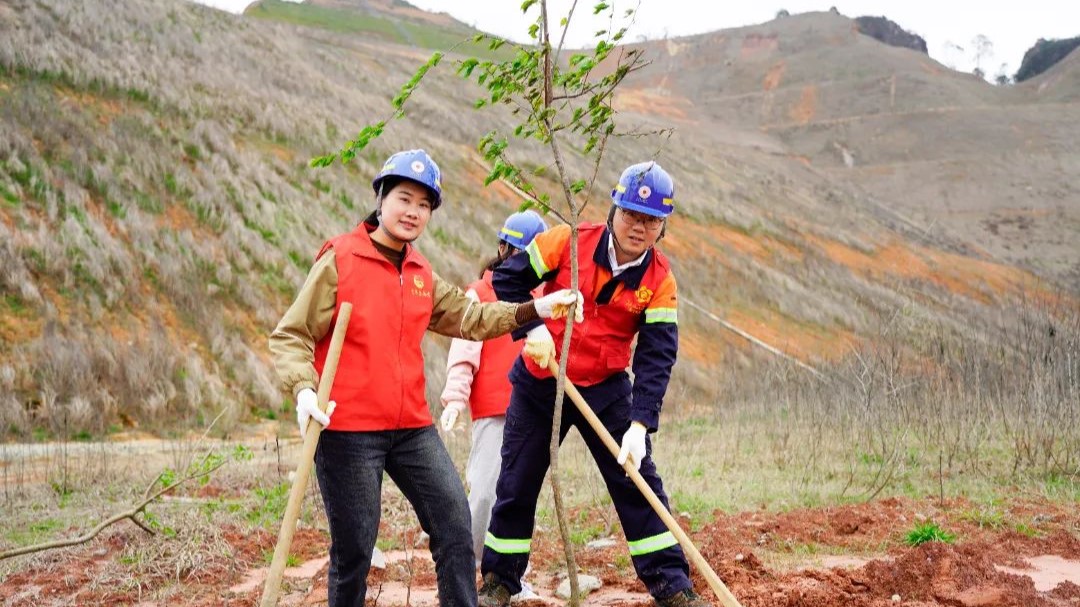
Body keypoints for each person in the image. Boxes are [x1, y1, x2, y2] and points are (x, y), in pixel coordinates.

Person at [268, 149, 582, 607]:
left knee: (454, 524)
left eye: (423, 204)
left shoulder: (420, 272)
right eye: (403, 198)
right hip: (348, 428)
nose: (413, 211)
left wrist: (534, 309)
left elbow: (472, 317)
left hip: (411, 427)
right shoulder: (341, 259)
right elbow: (291, 334)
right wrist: (303, 390)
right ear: (380, 199)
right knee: (355, 550)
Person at [477, 162, 711, 607]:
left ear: (662, 226)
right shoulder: (567, 241)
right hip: (542, 379)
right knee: (517, 480)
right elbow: (507, 278)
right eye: (631, 214)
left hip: (605, 388)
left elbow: (657, 355)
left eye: (651, 220)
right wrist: (533, 326)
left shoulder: (660, 281)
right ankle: (499, 582)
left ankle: (672, 586)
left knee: (637, 482)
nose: (638, 227)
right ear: (613, 210)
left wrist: (640, 424)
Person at [439, 210, 548, 600]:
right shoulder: (481, 294)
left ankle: (509, 577)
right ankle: (465, 567)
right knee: (485, 491)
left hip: (533, 411)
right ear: (504, 249)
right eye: (518, 252)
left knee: (519, 495)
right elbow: (464, 353)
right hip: (494, 410)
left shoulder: (545, 298)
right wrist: (455, 398)